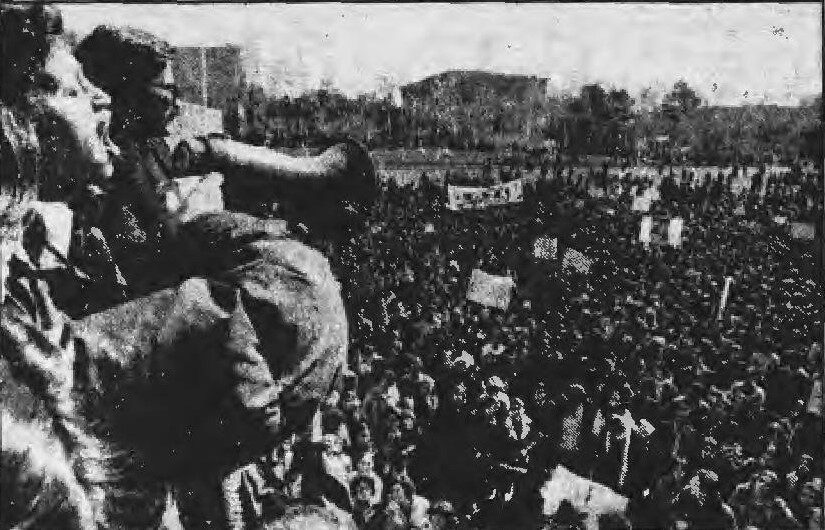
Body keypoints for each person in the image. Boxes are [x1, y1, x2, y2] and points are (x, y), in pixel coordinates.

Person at [0, 4, 357, 528]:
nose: (173, 106)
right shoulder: (114, 196)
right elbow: (285, 309)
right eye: (76, 88)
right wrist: (199, 230)